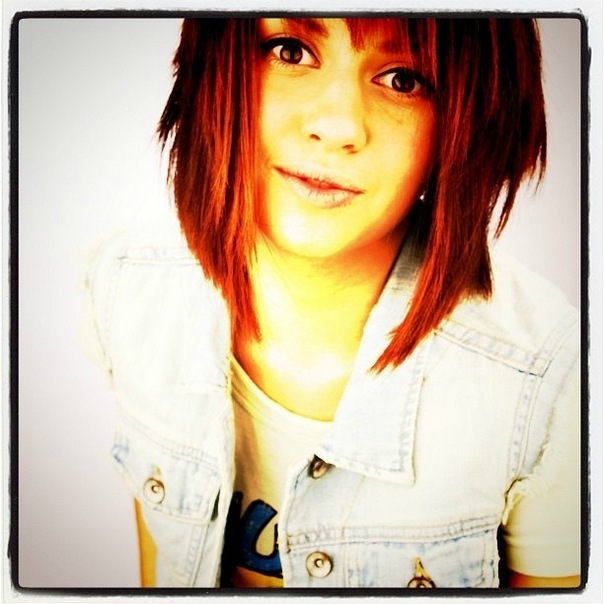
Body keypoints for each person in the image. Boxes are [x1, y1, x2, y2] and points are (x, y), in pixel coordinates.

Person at [85, 17, 581, 589]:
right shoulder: (131, 288)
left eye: (403, 80)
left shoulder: (548, 384)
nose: (337, 125)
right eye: (291, 51)